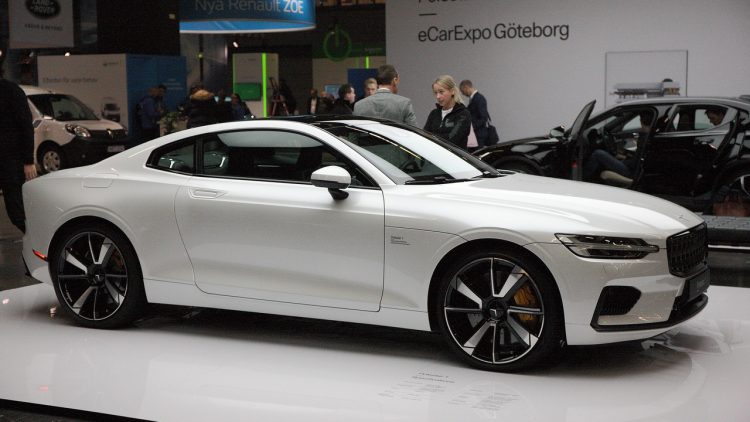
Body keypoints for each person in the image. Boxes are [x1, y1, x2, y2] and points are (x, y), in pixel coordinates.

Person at [0, 64, 38, 233]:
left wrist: (28, 161)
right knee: (16, 210)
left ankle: (36, 239)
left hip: (11, 160)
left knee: (17, 211)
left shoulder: (12, 91)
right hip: (10, 160)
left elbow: (26, 127)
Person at [583, 113, 652, 184]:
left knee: (597, 154)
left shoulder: (645, 138)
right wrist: (624, 156)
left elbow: (635, 163)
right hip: (633, 168)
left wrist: (624, 160)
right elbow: (638, 157)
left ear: (641, 121)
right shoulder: (648, 136)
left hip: (630, 171)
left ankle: (583, 179)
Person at [353, 64, 417, 126]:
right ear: (395, 80)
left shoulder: (359, 106)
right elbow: (413, 131)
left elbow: (354, 132)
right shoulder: (404, 104)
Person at [423, 75, 472, 150]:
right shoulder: (434, 114)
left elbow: (452, 139)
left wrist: (432, 137)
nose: (438, 96)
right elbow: (424, 137)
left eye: (441, 92)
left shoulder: (463, 114)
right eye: (435, 93)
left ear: (452, 91)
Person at [459, 79, 492, 147]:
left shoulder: (479, 98)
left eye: (462, 91)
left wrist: (472, 127)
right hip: (476, 134)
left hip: (479, 134)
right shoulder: (474, 98)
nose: (463, 93)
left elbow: (483, 117)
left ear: (466, 87)